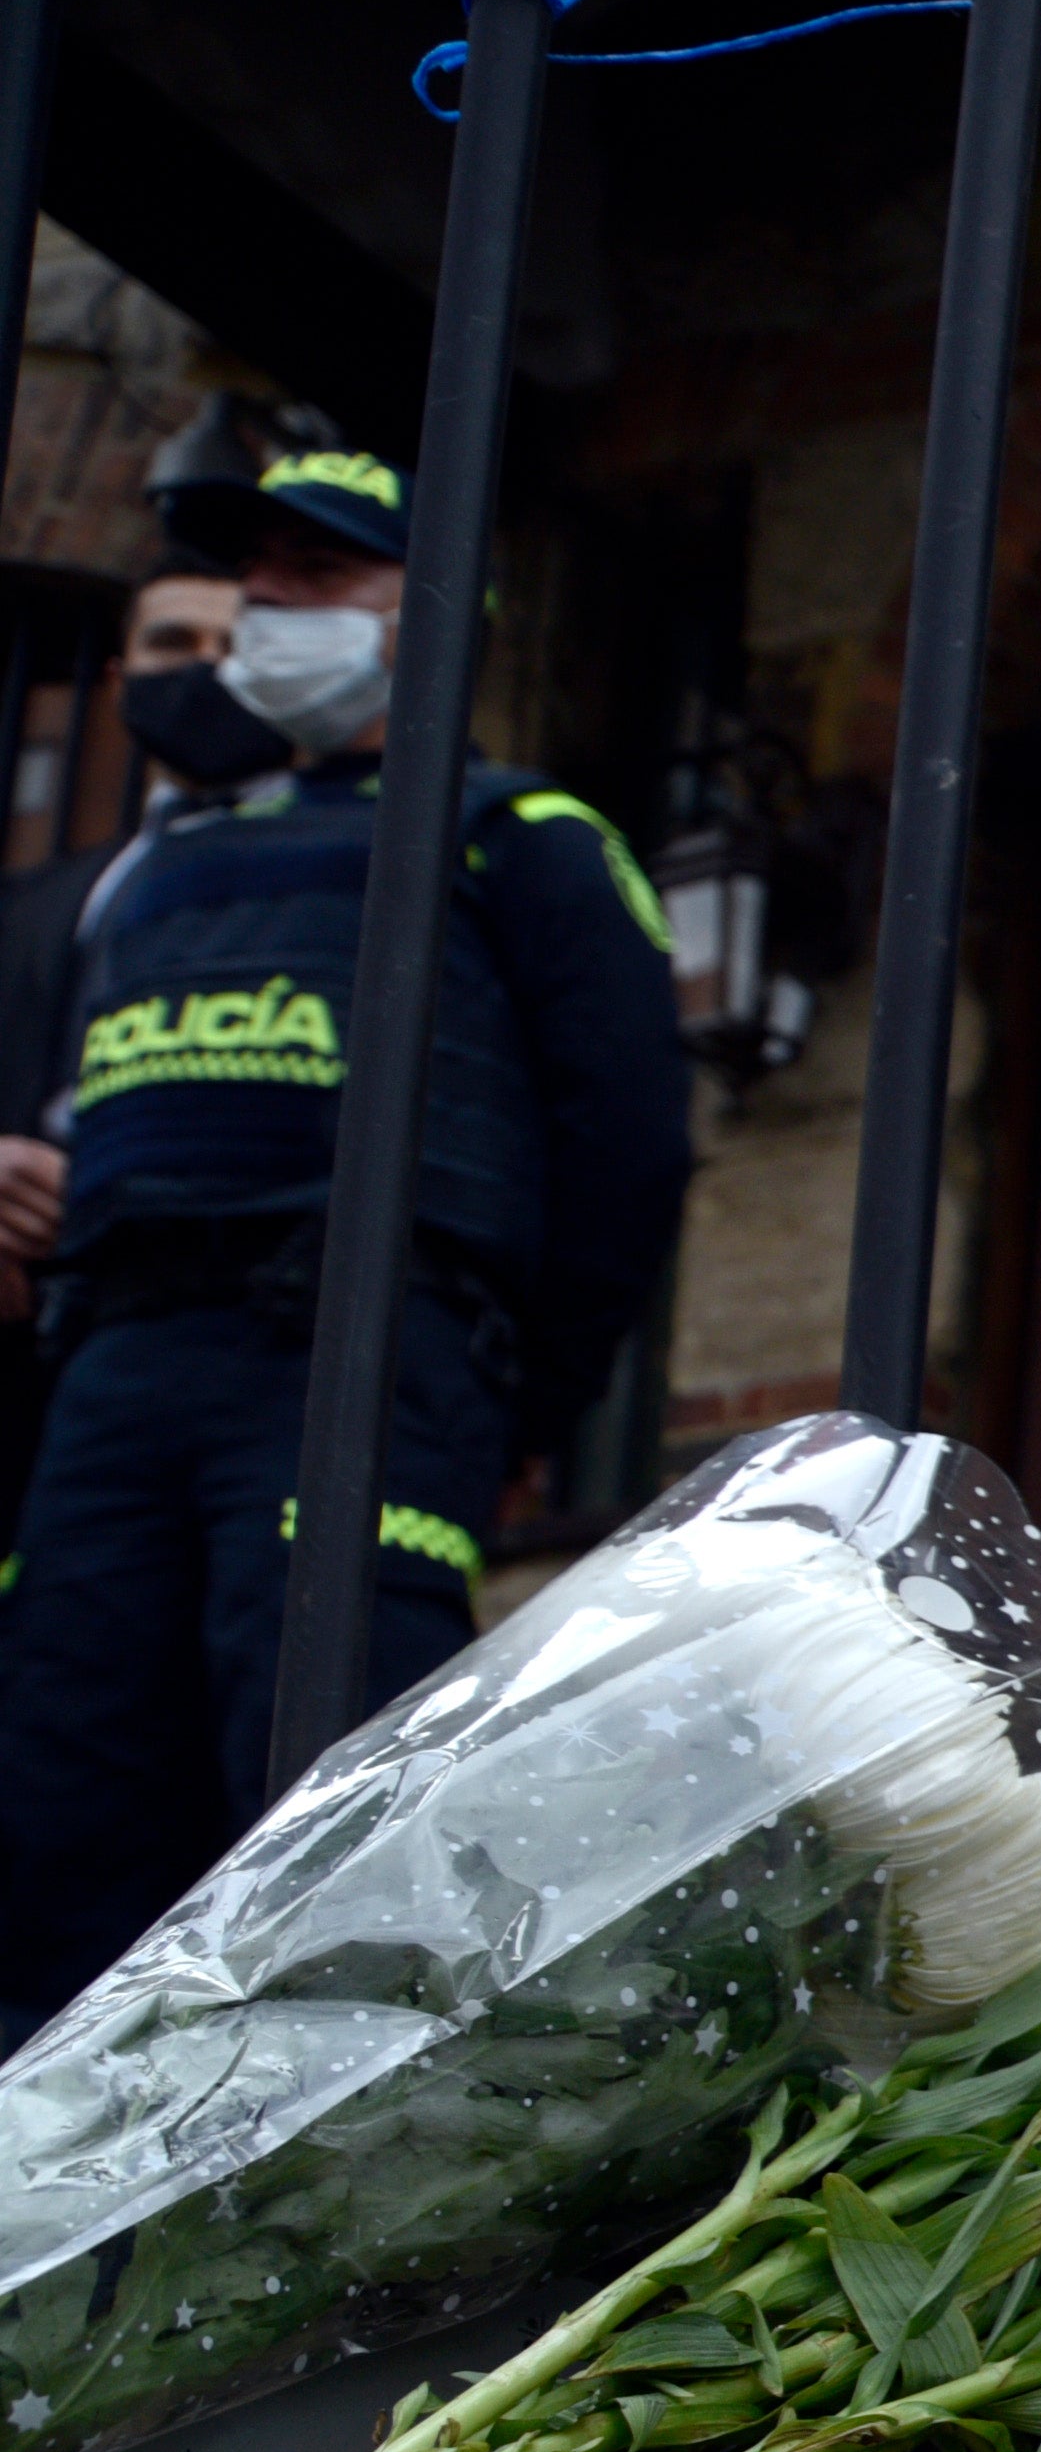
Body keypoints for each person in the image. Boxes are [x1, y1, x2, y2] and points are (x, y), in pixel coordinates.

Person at [0, 438, 692, 2038]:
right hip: (110, 1388)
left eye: (315, 580)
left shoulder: (521, 837)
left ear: (425, 612)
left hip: (358, 1365)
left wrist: (524, 1400)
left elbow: (628, 1149)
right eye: (255, 582)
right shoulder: (152, 873)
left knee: (323, 1784)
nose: (267, 612)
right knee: (60, 1796)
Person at [0, 565, 248, 1554]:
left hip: (208, 1343)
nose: (205, 669)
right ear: (115, 678)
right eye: (174, 643)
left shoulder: (349, 885)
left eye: (232, 648)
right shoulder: (30, 903)